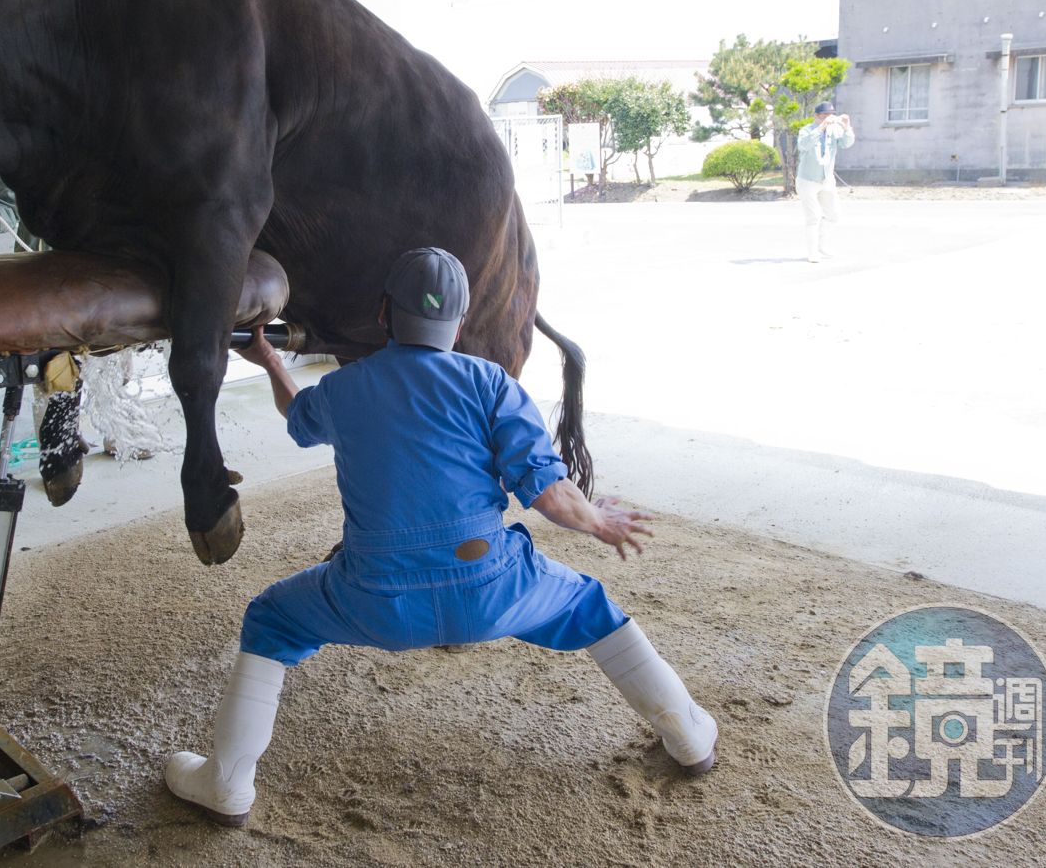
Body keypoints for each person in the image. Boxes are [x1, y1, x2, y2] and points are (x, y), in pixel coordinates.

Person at [162, 247, 718, 827]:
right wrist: (600, 521)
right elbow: (551, 497)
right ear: (459, 321)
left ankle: (227, 781)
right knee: (592, 609)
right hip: (494, 590)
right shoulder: (492, 384)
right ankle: (688, 734)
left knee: (272, 619)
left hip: (374, 600)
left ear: (384, 314)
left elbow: (298, 414)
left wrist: (271, 360)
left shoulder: (343, 388)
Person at [795, 102, 854, 263]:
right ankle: (812, 252)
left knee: (833, 214)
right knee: (813, 216)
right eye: (824, 116)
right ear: (816, 116)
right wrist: (821, 128)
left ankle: (822, 245)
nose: (828, 119)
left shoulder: (834, 131)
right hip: (807, 179)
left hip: (827, 179)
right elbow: (804, 145)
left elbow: (847, 143)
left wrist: (846, 127)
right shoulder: (807, 130)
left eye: (830, 115)